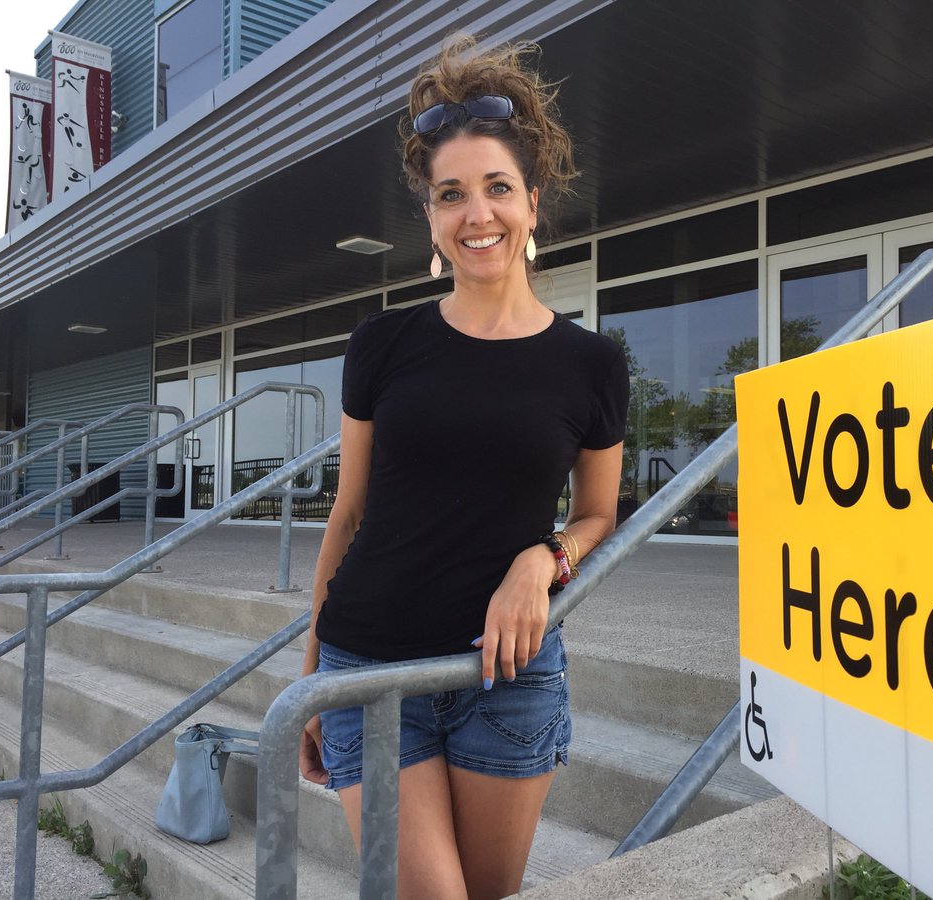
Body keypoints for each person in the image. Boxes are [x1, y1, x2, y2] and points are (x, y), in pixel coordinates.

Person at [297, 36, 628, 900]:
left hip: (508, 679)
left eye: (496, 189)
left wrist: (543, 559)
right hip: (368, 667)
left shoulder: (593, 362)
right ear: (433, 219)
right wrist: (309, 676)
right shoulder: (382, 344)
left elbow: (599, 513)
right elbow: (348, 513)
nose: (476, 214)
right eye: (452, 196)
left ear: (533, 203)